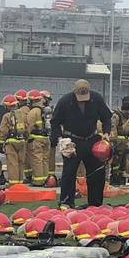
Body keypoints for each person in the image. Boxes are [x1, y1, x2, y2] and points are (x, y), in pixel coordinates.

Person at [51, 79, 112, 208]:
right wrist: (60, 139)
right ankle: (66, 202)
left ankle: (95, 204)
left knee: (97, 172)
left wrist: (107, 132)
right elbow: (55, 122)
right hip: (72, 141)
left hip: (91, 139)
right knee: (69, 173)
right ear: (74, 92)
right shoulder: (65, 101)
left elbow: (106, 117)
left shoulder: (97, 99)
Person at [0, 94, 28, 184]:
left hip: (11, 142)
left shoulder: (6, 116)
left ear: (7, 106)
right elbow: (27, 128)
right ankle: (20, 182)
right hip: (21, 141)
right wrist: (25, 138)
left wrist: (1, 143)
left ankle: (13, 184)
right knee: (21, 162)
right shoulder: (22, 114)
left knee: (12, 163)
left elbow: (4, 131)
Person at [25, 90, 52, 187]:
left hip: (36, 140)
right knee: (45, 159)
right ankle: (45, 180)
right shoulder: (46, 110)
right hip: (46, 138)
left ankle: (38, 181)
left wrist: (25, 138)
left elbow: (28, 127)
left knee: (37, 160)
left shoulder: (33, 112)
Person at [109, 95, 129, 185]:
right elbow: (113, 130)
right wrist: (113, 143)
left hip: (124, 144)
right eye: (128, 111)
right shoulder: (116, 116)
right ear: (125, 110)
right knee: (116, 163)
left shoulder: (126, 116)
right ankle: (115, 179)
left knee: (124, 164)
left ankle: (122, 180)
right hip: (118, 145)